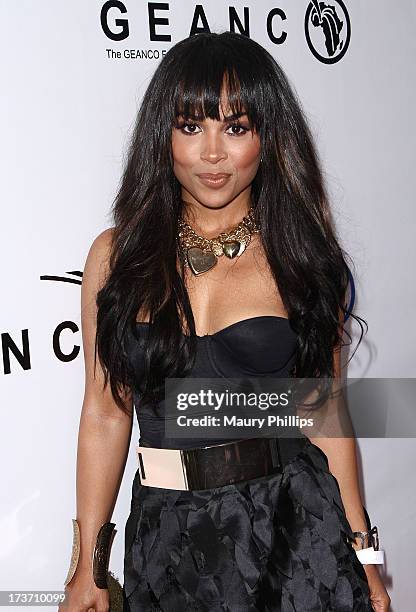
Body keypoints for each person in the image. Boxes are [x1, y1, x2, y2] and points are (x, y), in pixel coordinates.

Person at [61, 32, 390, 612]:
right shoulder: (116, 257)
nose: (213, 153)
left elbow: (325, 413)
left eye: (236, 128)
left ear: (268, 137)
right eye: (191, 127)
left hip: (291, 532)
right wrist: (88, 564)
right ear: (161, 136)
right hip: (166, 534)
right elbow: (104, 412)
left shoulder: (301, 257)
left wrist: (364, 555)